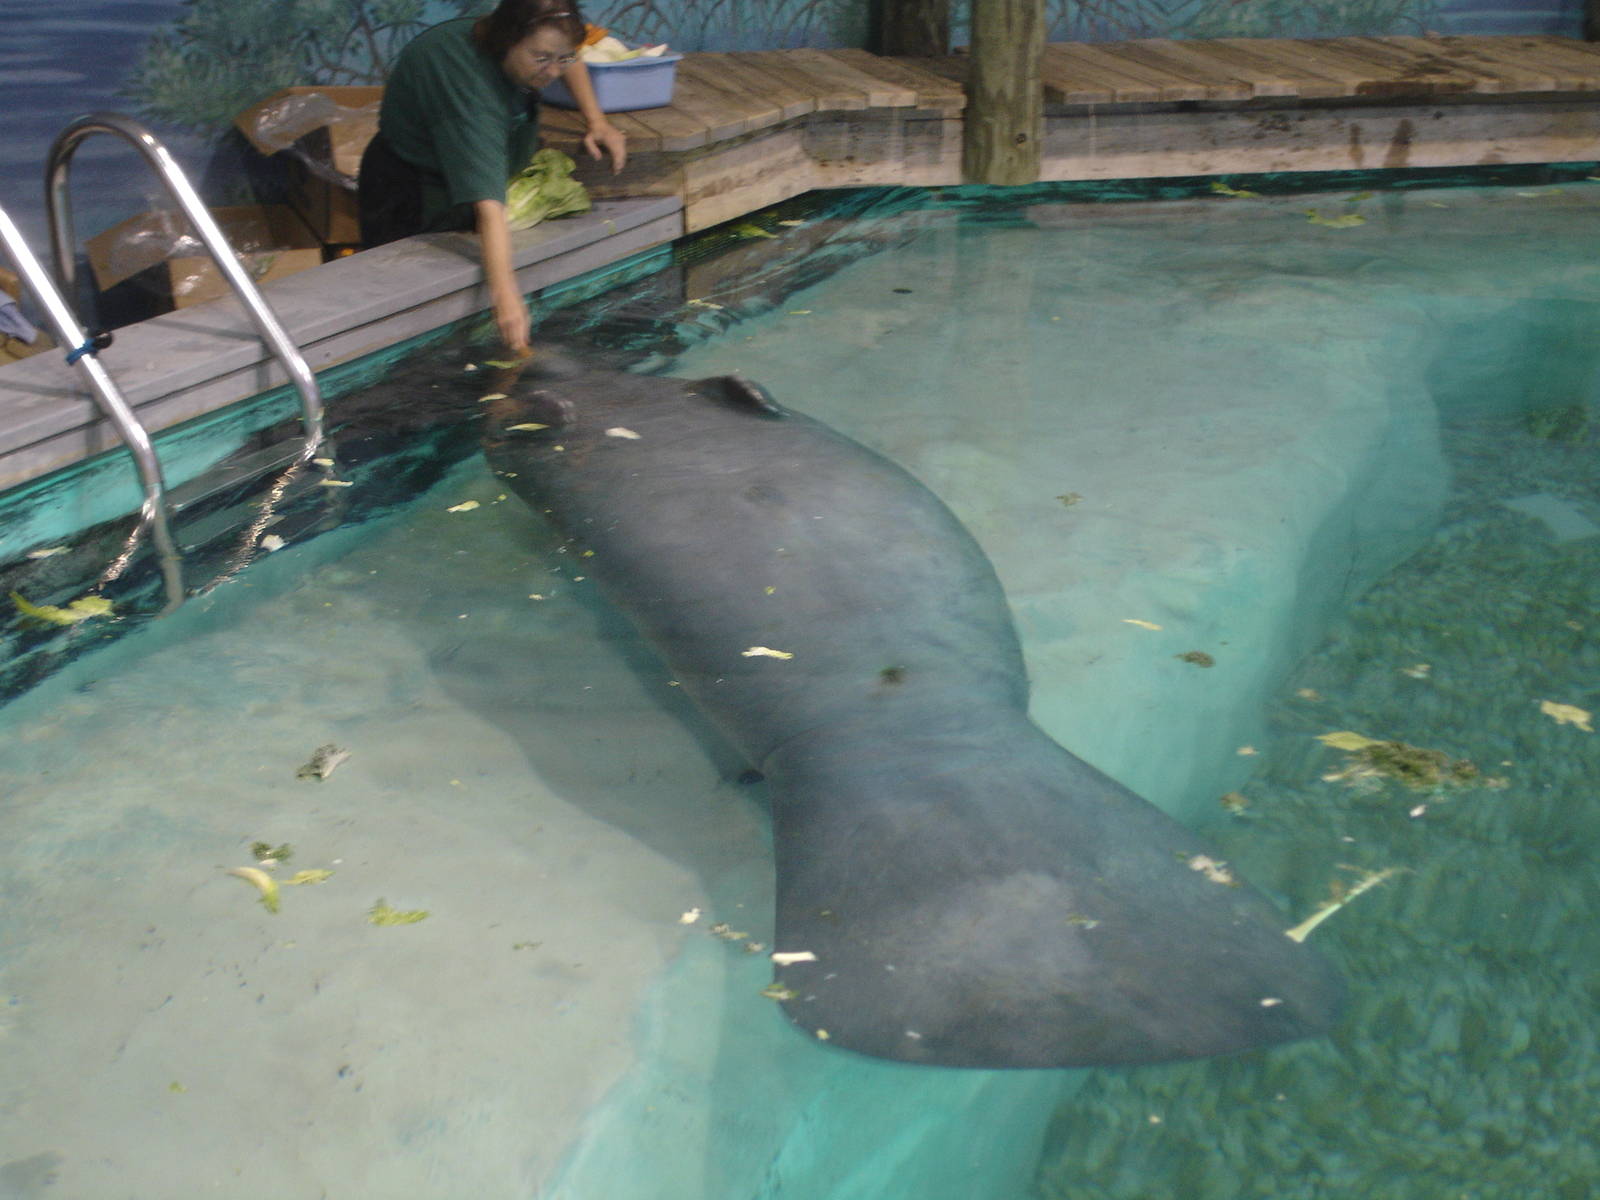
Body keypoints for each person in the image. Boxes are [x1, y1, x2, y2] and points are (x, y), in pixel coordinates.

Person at [358, 0, 627, 354]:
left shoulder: (528, 48)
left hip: (457, 177)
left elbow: (563, 52)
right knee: (415, 332)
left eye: (561, 59)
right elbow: (488, 206)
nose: (552, 72)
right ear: (506, 41)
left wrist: (597, 121)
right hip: (410, 191)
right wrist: (507, 300)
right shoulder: (468, 87)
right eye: (541, 59)